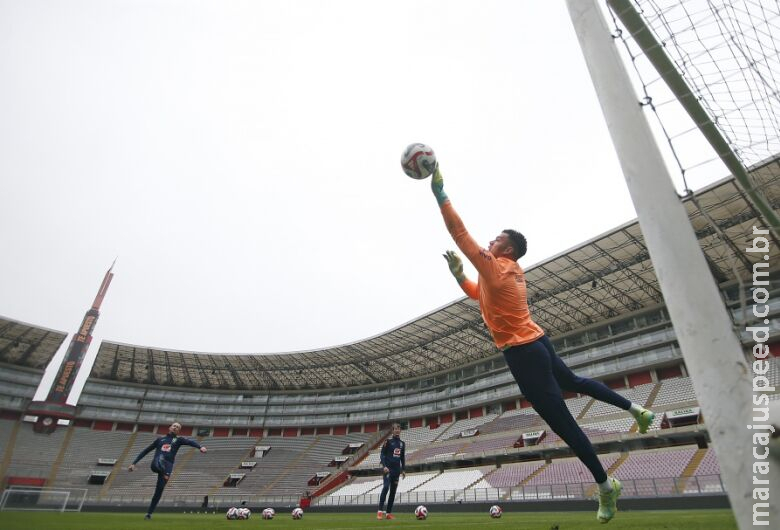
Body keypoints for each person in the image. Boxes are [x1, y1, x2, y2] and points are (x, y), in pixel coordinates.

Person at [429, 165, 654, 524]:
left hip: (523, 353)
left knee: (564, 425)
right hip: (538, 341)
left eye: (496, 239)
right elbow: (479, 294)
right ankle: (635, 409)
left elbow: (460, 233)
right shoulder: (510, 273)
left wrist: (440, 193)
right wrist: (460, 276)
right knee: (574, 382)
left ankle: (606, 485)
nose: (489, 242)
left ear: (509, 249)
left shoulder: (497, 266)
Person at [128, 421, 207, 519]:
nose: (175, 427)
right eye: (174, 426)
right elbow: (146, 451)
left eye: (178, 427)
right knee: (159, 459)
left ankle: (149, 514)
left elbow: (191, 442)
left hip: (167, 468)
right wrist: (133, 463)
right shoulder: (160, 440)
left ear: (179, 431)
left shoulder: (179, 440)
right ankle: (160, 462)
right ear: (170, 428)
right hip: (157, 463)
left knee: (159, 490)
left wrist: (200, 447)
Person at [376, 423, 405, 520]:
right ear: (392, 431)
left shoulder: (402, 443)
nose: (397, 430)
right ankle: (380, 511)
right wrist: (384, 466)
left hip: (396, 471)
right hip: (388, 470)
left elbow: (402, 458)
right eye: (395, 429)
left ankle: (388, 513)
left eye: (398, 428)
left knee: (393, 492)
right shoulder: (387, 442)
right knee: (386, 487)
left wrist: (403, 470)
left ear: (400, 430)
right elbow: (382, 455)